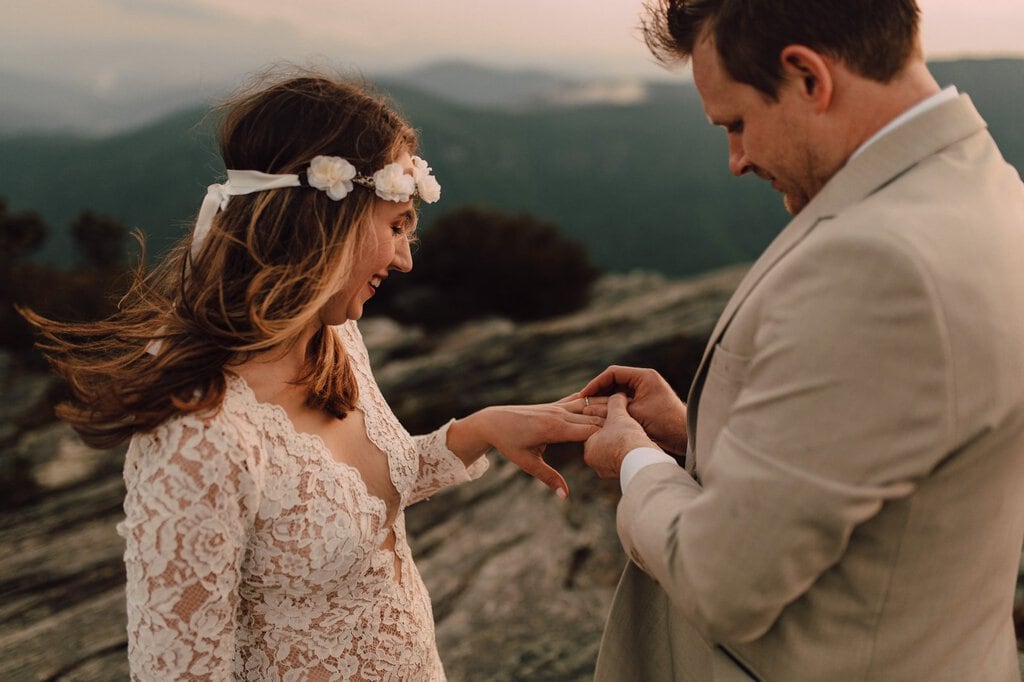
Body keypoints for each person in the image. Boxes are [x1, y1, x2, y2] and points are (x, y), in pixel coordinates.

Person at [22, 69, 602, 680]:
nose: (406, 257)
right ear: (324, 223)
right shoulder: (196, 435)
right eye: (396, 224)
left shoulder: (336, 341)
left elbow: (378, 489)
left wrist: (483, 428)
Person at [580, 0, 1024, 679]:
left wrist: (637, 462)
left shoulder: (883, 264)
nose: (737, 159)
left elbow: (720, 580)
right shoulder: (990, 190)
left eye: (737, 123)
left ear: (808, 78)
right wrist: (698, 435)